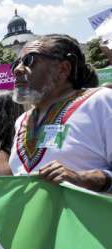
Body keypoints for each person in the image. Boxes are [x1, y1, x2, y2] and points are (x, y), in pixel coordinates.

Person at [9, 34, 112, 193]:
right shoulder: (21, 121)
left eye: (30, 60)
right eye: (16, 63)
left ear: (63, 69)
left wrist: (81, 179)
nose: (17, 69)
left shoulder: (101, 102)